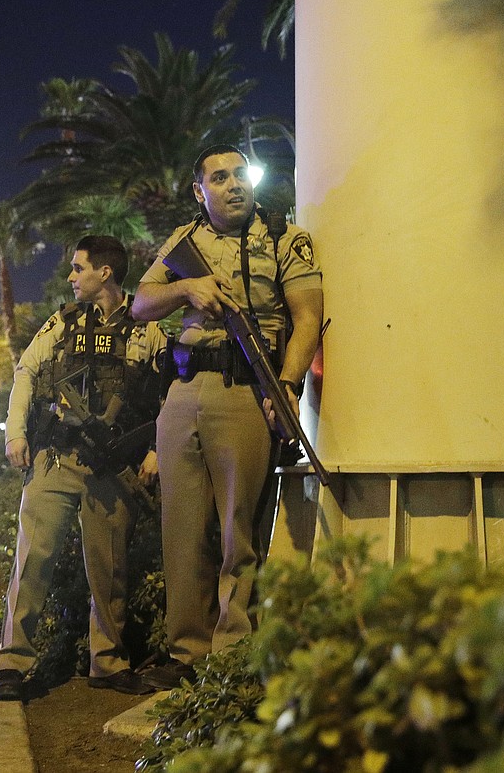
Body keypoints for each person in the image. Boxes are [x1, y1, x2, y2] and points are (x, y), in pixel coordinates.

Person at [131, 145, 324, 690]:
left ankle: (233, 652)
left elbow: (308, 317)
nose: (234, 184)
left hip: (248, 390)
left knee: (240, 529)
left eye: (242, 174)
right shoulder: (185, 242)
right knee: (183, 531)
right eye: (220, 177)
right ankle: (184, 653)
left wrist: (284, 384)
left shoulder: (287, 238)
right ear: (201, 191)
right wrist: (185, 287)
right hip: (185, 390)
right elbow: (141, 303)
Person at [0, 235, 166, 700]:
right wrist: (16, 433)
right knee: (32, 561)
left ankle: (107, 662)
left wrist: (157, 451)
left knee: (110, 570)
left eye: (77, 267)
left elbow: (168, 395)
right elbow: (26, 371)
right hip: (56, 459)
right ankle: (10, 665)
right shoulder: (62, 323)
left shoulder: (146, 326)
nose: (71, 277)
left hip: (113, 467)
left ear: (104, 272)